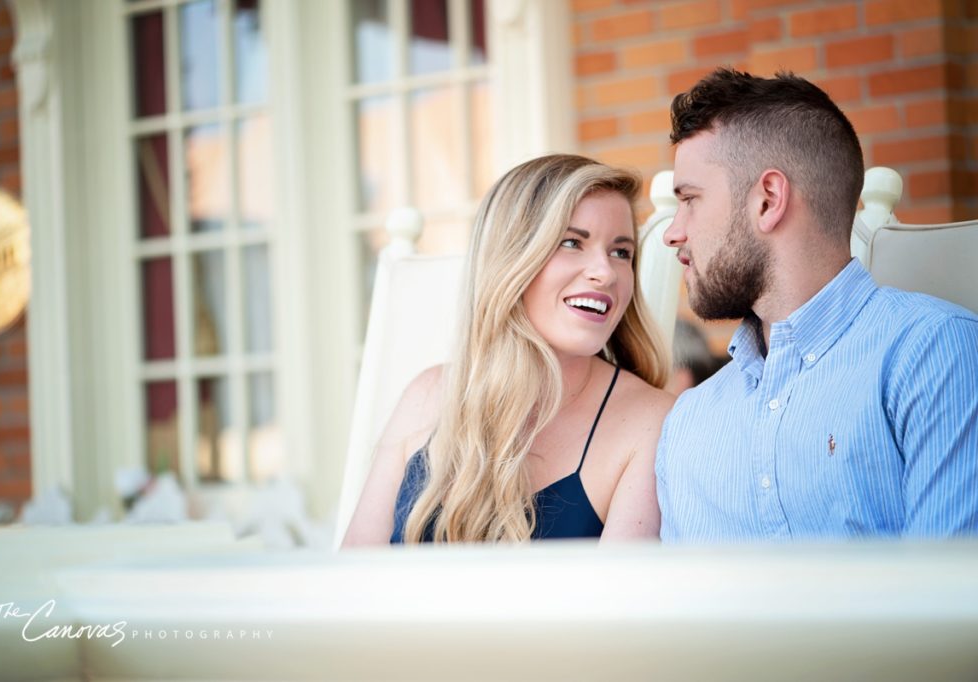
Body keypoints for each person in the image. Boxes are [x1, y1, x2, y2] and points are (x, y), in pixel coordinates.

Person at [652, 67, 978, 541]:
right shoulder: (687, 423)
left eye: (690, 200)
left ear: (768, 200)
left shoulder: (934, 354)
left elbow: (953, 600)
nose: (672, 231)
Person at [342, 154, 674, 545]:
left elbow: (621, 603)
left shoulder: (650, 421)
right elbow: (353, 580)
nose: (605, 272)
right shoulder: (428, 395)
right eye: (571, 242)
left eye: (621, 252)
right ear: (511, 259)